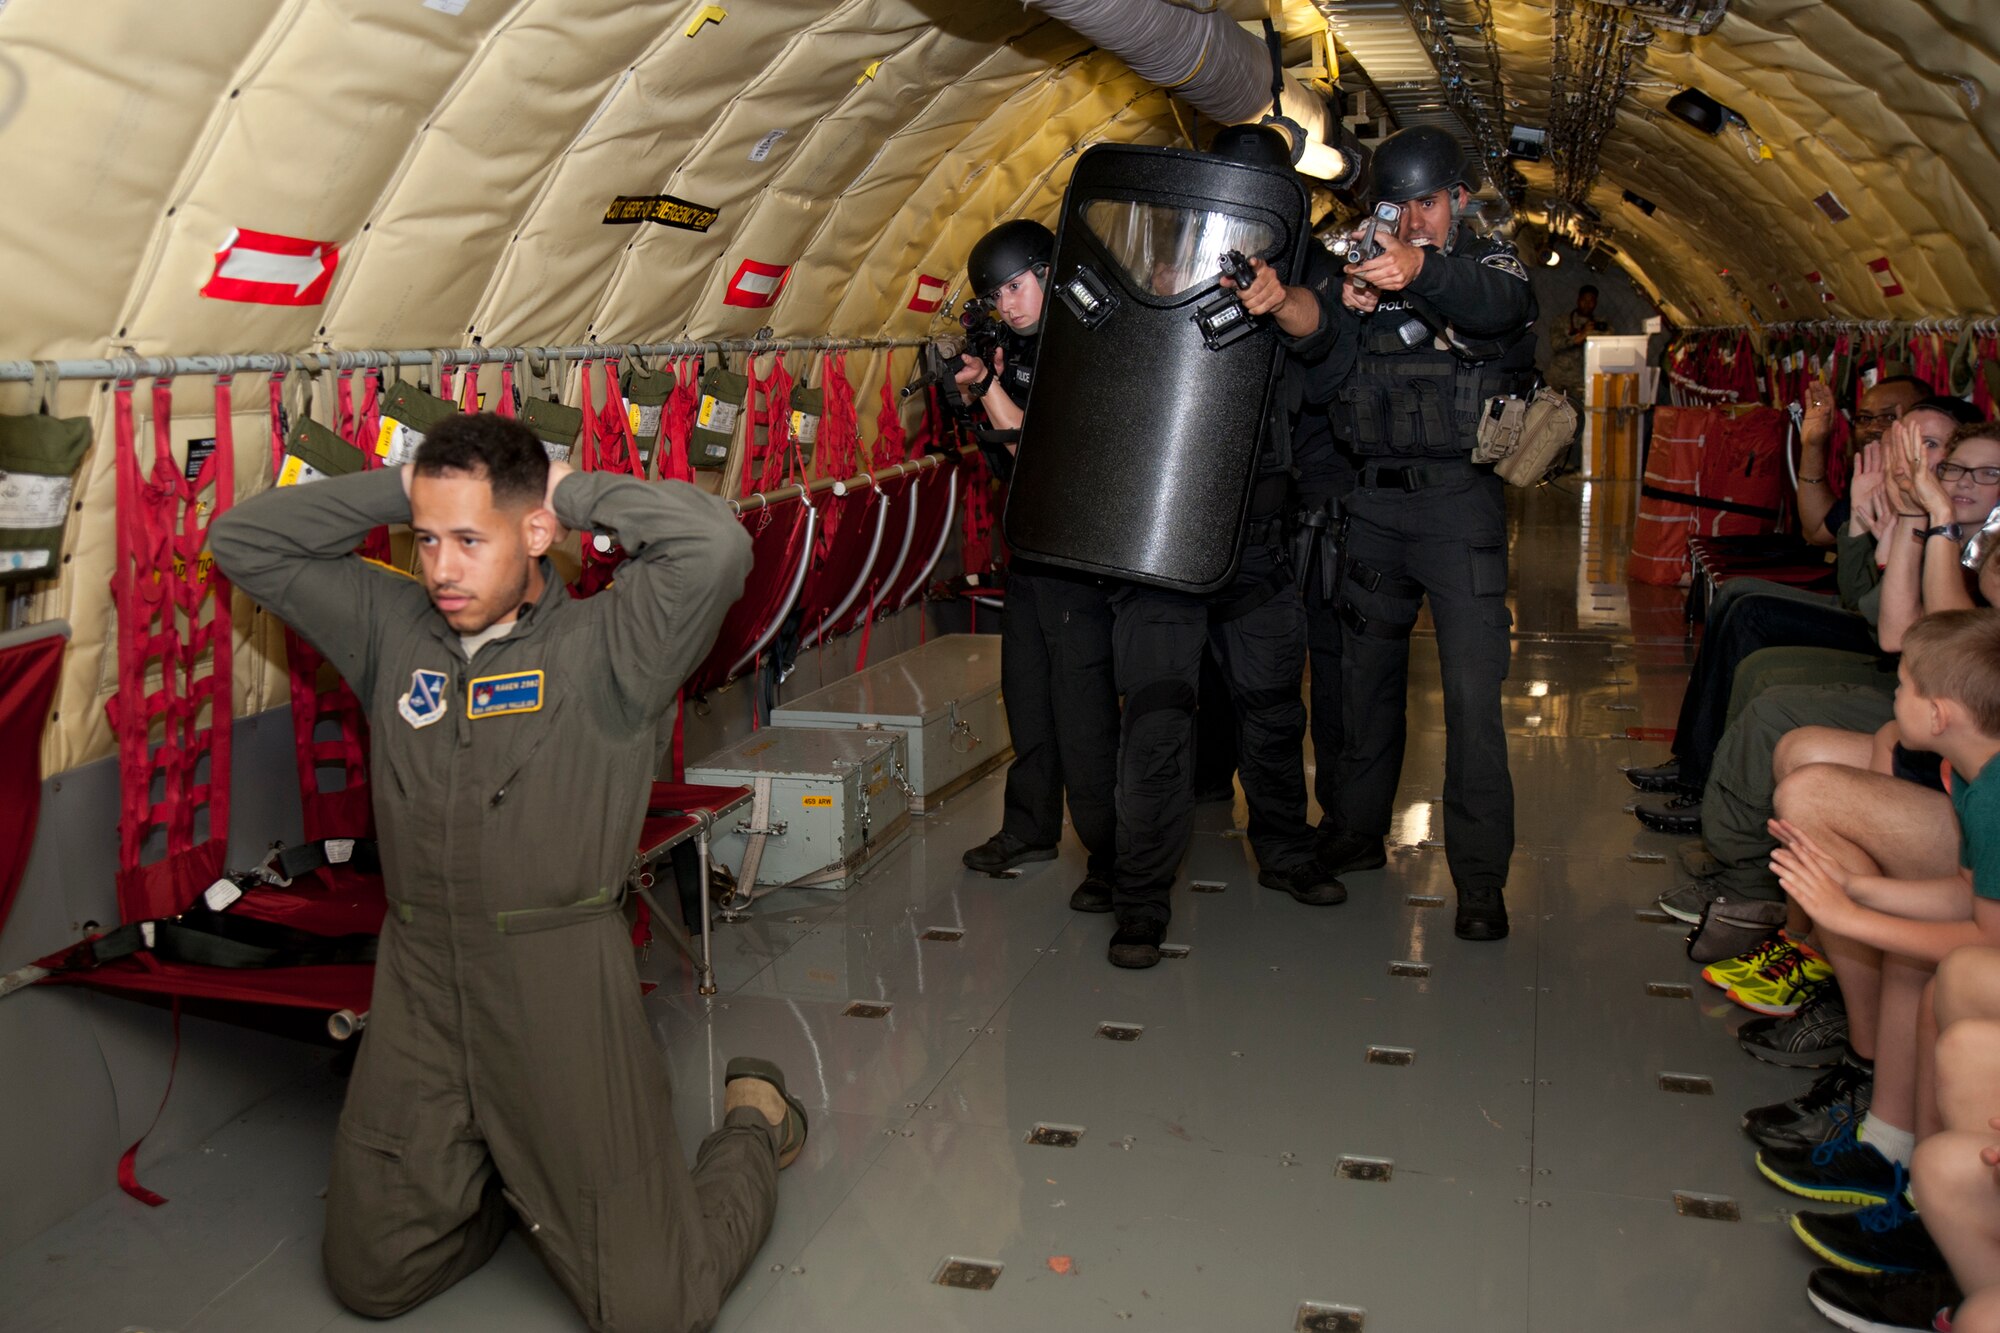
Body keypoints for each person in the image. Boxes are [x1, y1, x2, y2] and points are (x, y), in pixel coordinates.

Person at [209, 414, 806, 1333]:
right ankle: (504, 1177)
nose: (440, 568)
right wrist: (409, 482)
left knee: (654, 1309)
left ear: (535, 534)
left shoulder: (614, 646)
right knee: (372, 1277)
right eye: (426, 540)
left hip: (558, 976)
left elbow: (715, 542)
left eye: (469, 540)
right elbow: (243, 539)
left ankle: (756, 1124)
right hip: (417, 976)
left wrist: (564, 487)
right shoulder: (390, 624)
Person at [1099, 125, 1349, 969]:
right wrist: (1167, 288)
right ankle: (1139, 897)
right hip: (1164, 534)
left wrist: (1276, 300)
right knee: (1159, 718)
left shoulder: (1292, 280)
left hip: (1255, 539)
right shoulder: (1159, 270)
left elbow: (1319, 335)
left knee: (1274, 708)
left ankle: (1282, 850)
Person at [1317, 123, 1539, 941]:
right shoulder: (1362, 268)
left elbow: (1504, 307)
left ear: (1458, 201)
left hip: (1457, 506)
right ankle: (1354, 832)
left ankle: (1479, 880)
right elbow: (1317, 371)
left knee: (1474, 700)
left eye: (1427, 205)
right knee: (1362, 686)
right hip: (1374, 505)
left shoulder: (1486, 264)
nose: (1412, 223)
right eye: (1398, 208)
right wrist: (1349, 306)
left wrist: (1422, 272)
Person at [1759, 611, 2000, 1278]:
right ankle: (1898, 1154)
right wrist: (1861, 892)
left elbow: (1986, 938)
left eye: (1903, 685)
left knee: (1943, 976)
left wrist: (1852, 916)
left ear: (1942, 713)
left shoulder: (1995, 795)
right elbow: (1964, 892)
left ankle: (1926, 1201)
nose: (1895, 698)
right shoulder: (1977, 776)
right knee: (1922, 965)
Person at [956, 220, 1122, 916]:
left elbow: (1038, 451)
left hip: (1078, 557)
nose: (1010, 304)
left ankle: (1112, 854)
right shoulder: (1012, 349)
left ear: (1052, 275)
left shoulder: (1086, 347)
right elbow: (996, 452)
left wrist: (989, 388)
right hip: (1027, 553)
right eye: (998, 295)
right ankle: (1029, 827)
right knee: (1026, 698)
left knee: (1083, 714)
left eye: (1017, 287)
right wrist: (972, 387)